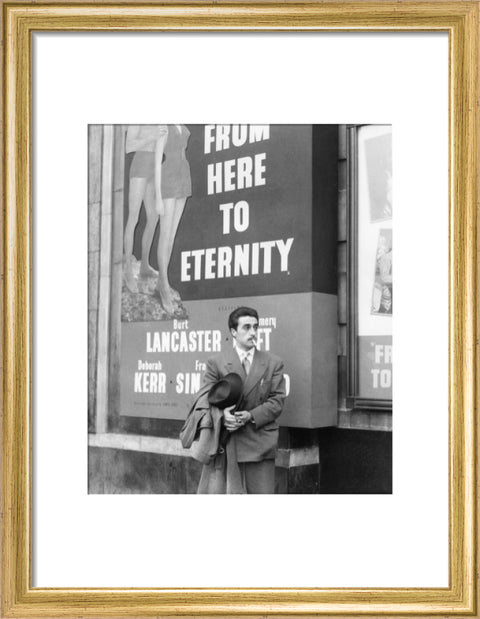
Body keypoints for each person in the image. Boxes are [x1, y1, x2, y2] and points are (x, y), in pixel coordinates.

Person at [201, 306, 286, 493]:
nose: (253, 332)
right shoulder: (216, 362)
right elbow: (205, 400)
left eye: (255, 327)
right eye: (246, 327)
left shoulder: (273, 363)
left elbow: (277, 402)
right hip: (228, 444)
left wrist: (249, 415)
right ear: (233, 332)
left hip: (260, 443)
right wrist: (223, 415)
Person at [153, 124, 192, 314]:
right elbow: (157, 161)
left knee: (172, 236)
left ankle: (162, 281)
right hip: (168, 177)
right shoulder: (163, 125)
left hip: (184, 175)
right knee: (165, 235)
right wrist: (158, 197)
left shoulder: (182, 125)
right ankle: (164, 286)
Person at [124, 125, 168, 293]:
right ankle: (128, 269)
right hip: (140, 165)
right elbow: (128, 147)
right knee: (133, 217)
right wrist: (152, 137)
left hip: (155, 166)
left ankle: (144, 265)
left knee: (153, 217)